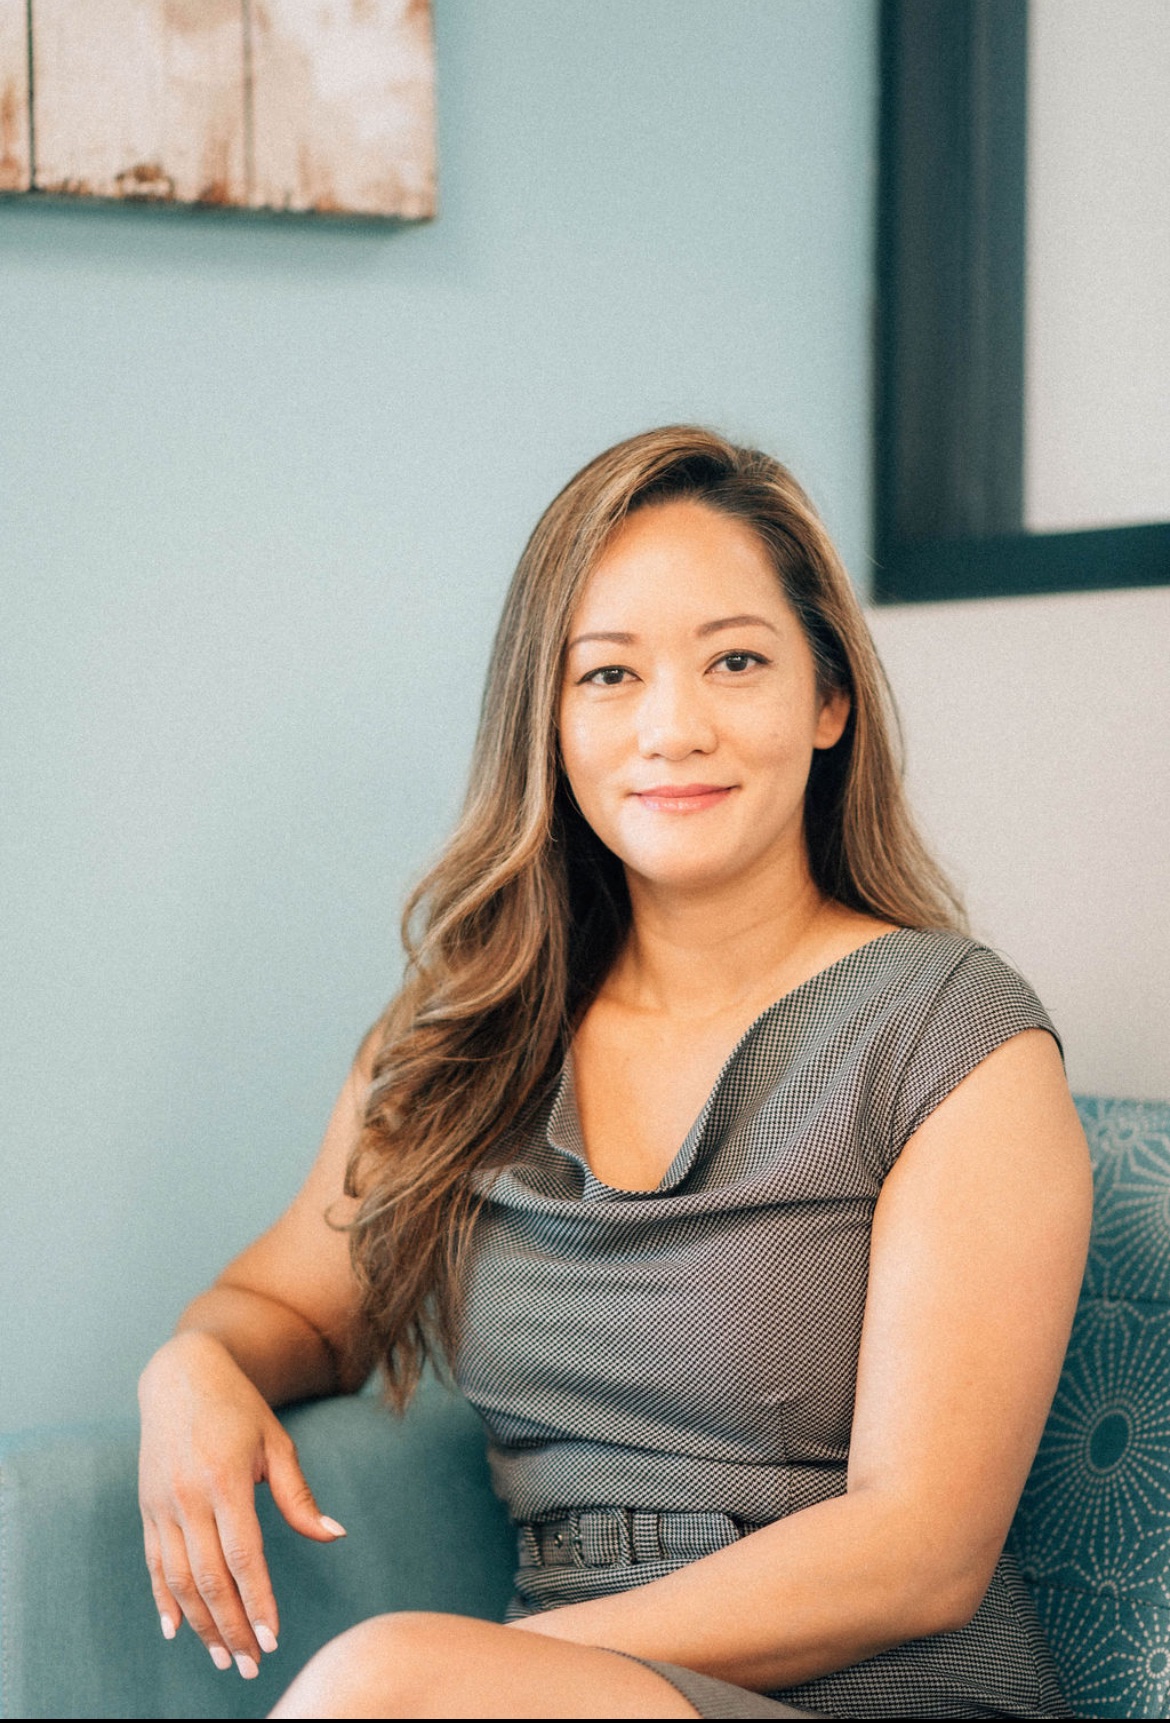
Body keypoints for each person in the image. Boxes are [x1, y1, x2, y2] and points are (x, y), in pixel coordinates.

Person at [137, 426, 1092, 1719]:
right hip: (549, 1696)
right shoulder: (463, 1039)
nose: (671, 726)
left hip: (882, 1695)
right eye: (607, 675)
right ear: (546, 718)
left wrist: (498, 1673)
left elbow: (916, 1555)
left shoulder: (949, 1033)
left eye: (736, 662)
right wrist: (191, 1370)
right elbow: (298, 1311)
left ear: (828, 701)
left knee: (381, 1679)